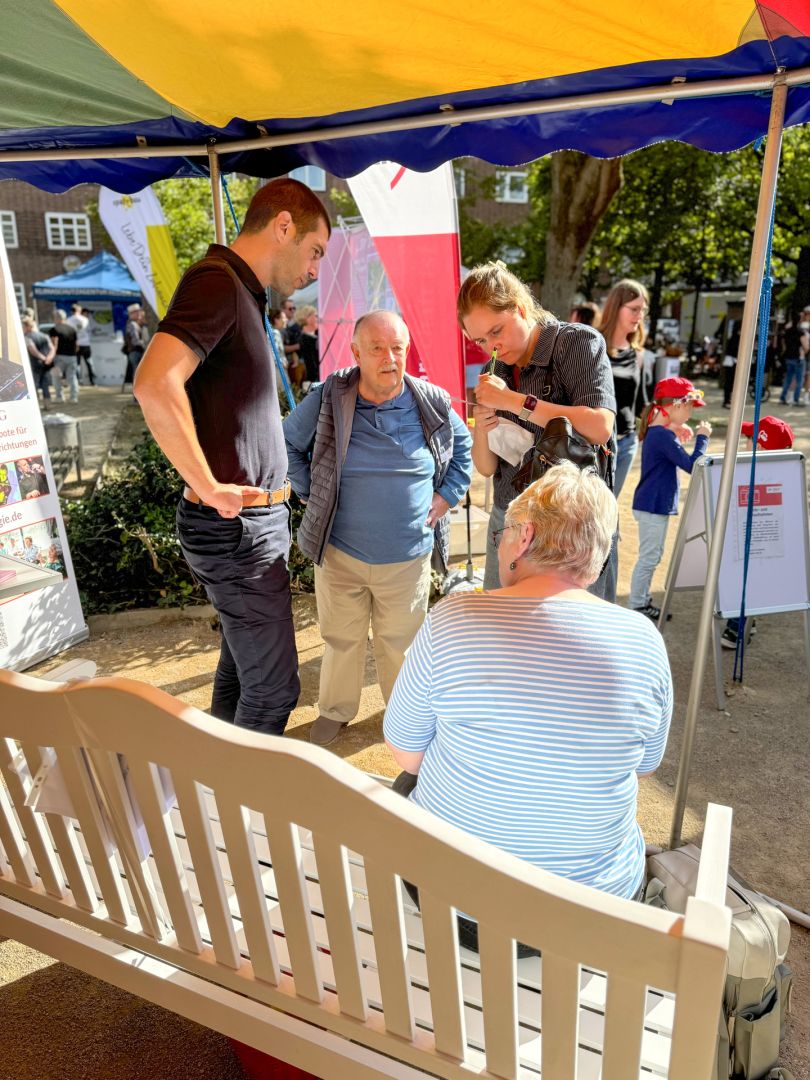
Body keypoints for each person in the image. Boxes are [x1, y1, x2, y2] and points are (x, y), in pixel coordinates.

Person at [384, 462, 672, 953]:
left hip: (454, 903)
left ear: (524, 537)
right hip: (591, 911)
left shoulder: (455, 618)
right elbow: (644, 767)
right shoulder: (643, 641)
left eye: (502, 533)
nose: (500, 543)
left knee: (408, 784)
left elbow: (407, 755)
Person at [134, 177, 331, 737]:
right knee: (274, 689)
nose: (315, 269)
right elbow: (154, 383)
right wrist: (207, 484)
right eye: (315, 251)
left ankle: (213, 779)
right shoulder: (217, 282)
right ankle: (235, 792)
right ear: (284, 227)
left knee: (245, 674)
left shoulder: (239, 290)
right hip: (236, 527)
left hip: (248, 525)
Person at [284, 310, 472, 747]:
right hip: (340, 551)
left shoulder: (431, 400)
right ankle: (335, 710)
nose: (390, 358)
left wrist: (446, 496)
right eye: (377, 349)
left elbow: (463, 454)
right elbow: (288, 442)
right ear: (355, 352)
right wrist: (311, 490)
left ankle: (402, 716)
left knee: (400, 643)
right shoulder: (330, 396)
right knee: (341, 638)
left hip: (407, 555)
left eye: (397, 348)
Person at [458, 261, 617, 598]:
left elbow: (600, 426)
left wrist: (514, 401)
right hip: (509, 520)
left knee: (570, 626)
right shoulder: (494, 369)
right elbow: (486, 467)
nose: (491, 347)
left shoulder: (575, 343)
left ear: (520, 308)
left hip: (570, 525)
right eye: (480, 340)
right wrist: (482, 427)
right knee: (504, 624)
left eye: (497, 331)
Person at [629, 377, 712, 620]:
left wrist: (675, 430)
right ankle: (637, 605)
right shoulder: (661, 436)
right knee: (649, 558)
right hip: (653, 506)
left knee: (652, 556)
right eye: (689, 407)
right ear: (676, 405)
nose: (690, 414)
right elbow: (693, 465)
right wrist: (703, 437)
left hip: (653, 504)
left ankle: (641, 601)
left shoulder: (660, 433)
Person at [721, 415, 794, 649]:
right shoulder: (785, 474)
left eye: (748, 439)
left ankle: (735, 629)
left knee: (744, 579)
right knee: (753, 578)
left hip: (754, 543)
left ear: (759, 447)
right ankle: (747, 620)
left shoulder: (752, 475)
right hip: (770, 546)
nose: (744, 443)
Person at [597, 280, 650, 497]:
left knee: (609, 507)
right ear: (616, 307)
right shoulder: (593, 344)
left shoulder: (638, 354)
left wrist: (671, 416)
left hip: (627, 443)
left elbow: (641, 403)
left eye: (643, 310)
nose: (640, 316)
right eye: (634, 309)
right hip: (595, 444)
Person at [21, 315, 55, 404]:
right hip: (46, 364)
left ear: (27, 326)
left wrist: (43, 358)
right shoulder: (44, 336)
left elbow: (33, 351)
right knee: (45, 384)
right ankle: (48, 404)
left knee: (34, 384)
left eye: (23, 326)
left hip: (34, 364)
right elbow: (52, 348)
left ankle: (36, 404)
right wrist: (49, 358)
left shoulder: (27, 337)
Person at [48, 309, 79, 403]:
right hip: (72, 357)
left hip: (59, 357)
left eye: (54, 317)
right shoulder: (72, 329)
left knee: (56, 377)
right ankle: (74, 397)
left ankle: (59, 397)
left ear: (57, 318)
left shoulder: (54, 330)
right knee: (72, 377)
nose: (54, 319)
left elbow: (53, 345)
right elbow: (77, 345)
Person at [779, 318, 808, 407]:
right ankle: (795, 400)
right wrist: (803, 352)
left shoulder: (787, 332)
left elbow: (783, 345)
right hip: (798, 358)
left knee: (788, 379)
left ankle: (782, 398)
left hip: (788, 358)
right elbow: (806, 347)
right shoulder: (800, 332)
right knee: (799, 380)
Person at [68, 302, 96, 386]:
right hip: (85, 344)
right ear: (78, 310)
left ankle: (79, 381)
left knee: (77, 364)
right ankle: (93, 381)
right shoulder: (85, 319)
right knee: (89, 362)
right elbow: (89, 331)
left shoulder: (69, 320)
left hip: (75, 344)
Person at [295, 305, 319, 386]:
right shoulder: (305, 339)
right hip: (312, 382)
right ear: (307, 318)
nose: (318, 318)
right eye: (316, 316)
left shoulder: (314, 337)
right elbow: (311, 365)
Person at [124, 304, 150, 381]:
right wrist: (146, 345)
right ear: (131, 314)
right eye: (136, 312)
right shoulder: (133, 324)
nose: (138, 313)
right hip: (135, 351)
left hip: (135, 351)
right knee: (137, 373)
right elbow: (135, 341)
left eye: (138, 311)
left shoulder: (134, 324)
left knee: (137, 373)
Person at [283, 299, 303, 382]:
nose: (293, 310)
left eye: (294, 308)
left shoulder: (298, 325)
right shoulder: (281, 327)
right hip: (286, 364)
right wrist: (298, 346)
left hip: (298, 363)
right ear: (283, 310)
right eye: (290, 308)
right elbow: (280, 348)